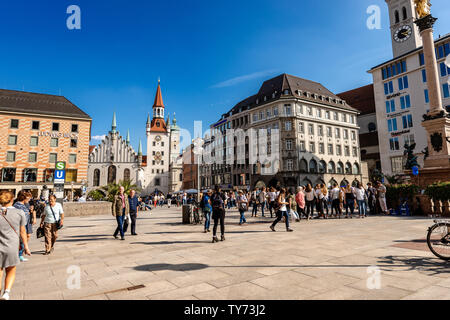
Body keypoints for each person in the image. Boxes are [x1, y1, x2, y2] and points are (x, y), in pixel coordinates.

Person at [0, 191, 31, 300]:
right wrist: (26, 247)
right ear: (12, 200)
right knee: (11, 269)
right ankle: (6, 292)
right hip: (12, 246)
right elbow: (23, 231)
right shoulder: (19, 212)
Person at [13, 191, 35, 262]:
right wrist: (28, 212)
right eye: (28, 199)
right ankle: (19, 255)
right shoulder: (22, 207)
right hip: (22, 226)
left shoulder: (15, 204)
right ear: (24, 198)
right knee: (22, 241)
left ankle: (18, 254)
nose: (29, 200)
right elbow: (23, 219)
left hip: (15, 226)